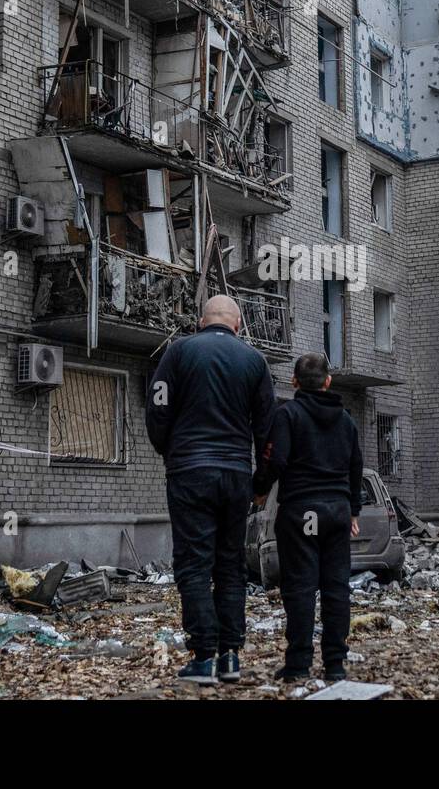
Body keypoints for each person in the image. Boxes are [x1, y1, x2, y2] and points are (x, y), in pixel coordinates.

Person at [146, 294, 275, 685]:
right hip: (236, 474)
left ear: (201, 322)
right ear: (238, 325)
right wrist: (260, 483)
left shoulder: (179, 352)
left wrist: (170, 451)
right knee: (231, 565)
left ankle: (203, 658)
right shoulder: (255, 361)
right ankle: (230, 657)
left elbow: (157, 406)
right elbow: (268, 431)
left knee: (194, 563)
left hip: (189, 472)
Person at [254, 352, 363, 682]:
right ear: (328, 381)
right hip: (337, 513)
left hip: (302, 512)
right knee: (336, 589)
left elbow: (276, 459)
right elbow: (355, 466)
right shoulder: (346, 420)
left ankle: (298, 665)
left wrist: (260, 489)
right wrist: (353, 510)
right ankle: (335, 665)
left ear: (294, 381)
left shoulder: (288, 415)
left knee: (300, 589)